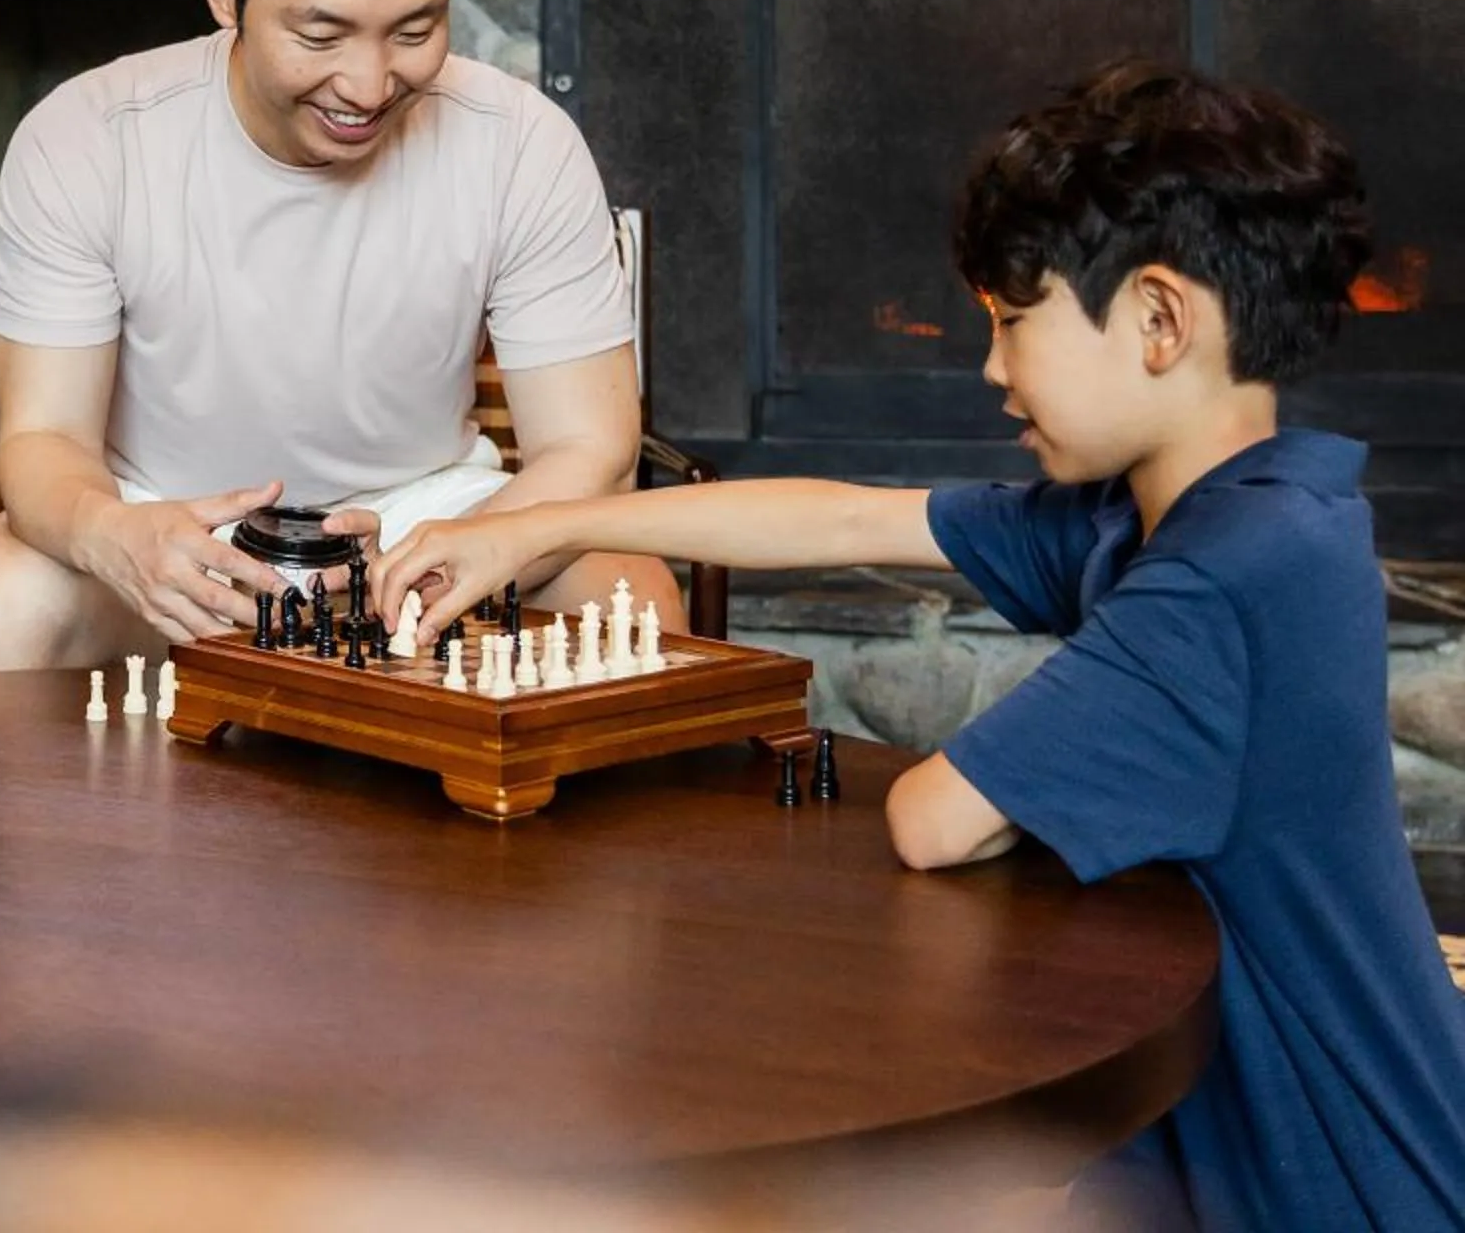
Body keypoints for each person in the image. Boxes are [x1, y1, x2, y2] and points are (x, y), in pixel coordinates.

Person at [375, 62, 1465, 1231]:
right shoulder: (1202, 512)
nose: (993, 368)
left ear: (1158, 318)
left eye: (1014, 320)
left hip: (1337, 1185)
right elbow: (846, 514)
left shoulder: (1229, 575)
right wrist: (542, 525)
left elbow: (935, 817)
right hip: (1194, 1127)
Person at [0, 0, 673, 672]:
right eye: (321, 35)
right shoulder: (89, 136)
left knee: (633, 600)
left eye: (414, 29)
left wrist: (426, 554)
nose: (368, 85)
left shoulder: (519, 143)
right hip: (167, 518)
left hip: (424, 521)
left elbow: (590, 449)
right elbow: (44, 442)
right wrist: (117, 533)